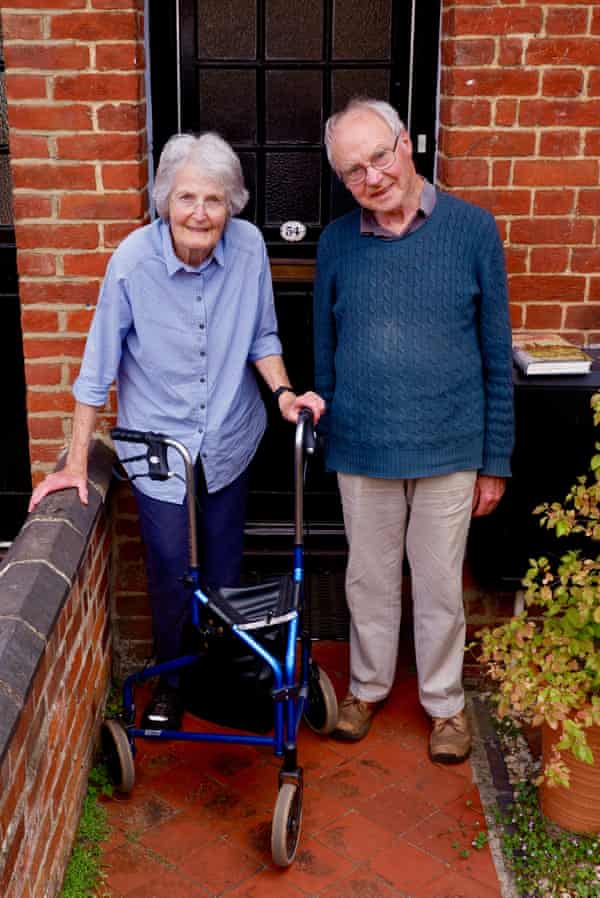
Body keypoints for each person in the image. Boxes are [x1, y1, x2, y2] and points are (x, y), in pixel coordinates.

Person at [29, 132, 325, 731]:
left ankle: (218, 679)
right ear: (165, 200)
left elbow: (263, 337)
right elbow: (97, 369)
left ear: (231, 204)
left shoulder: (247, 250)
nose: (200, 212)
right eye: (186, 197)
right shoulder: (133, 263)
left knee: (221, 572)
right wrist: (76, 462)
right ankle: (172, 680)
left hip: (229, 438)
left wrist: (284, 393)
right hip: (160, 447)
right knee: (169, 569)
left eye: (214, 199)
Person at [313, 98, 514, 762]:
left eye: (378, 156)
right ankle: (367, 688)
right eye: (352, 171)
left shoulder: (473, 229)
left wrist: (496, 458)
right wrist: (328, 432)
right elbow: (324, 349)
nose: (371, 177)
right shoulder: (338, 242)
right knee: (367, 580)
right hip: (362, 445)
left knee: (436, 583)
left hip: (451, 445)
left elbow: (495, 354)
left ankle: (445, 705)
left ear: (406, 145)